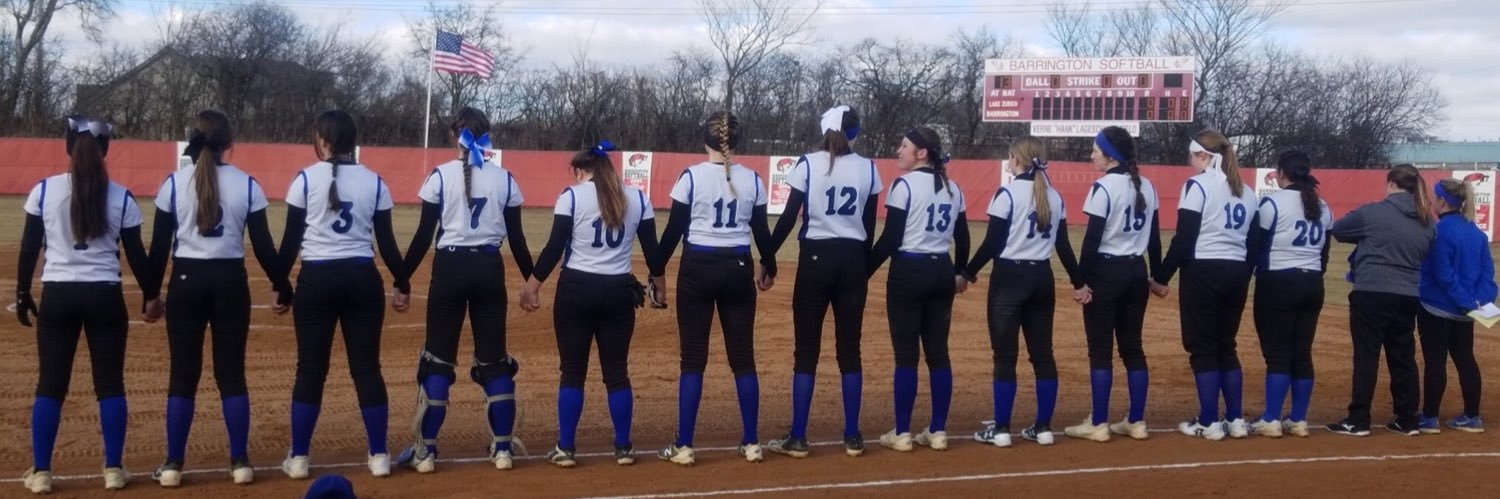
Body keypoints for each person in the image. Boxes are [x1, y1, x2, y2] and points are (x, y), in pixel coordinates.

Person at [147, 110, 293, 486]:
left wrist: (150, 294)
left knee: (183, 376)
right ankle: (240, 462)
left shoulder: (174, 183)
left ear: (193, 141)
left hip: (186, 279)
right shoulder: (247, 185)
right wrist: (282, 282)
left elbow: (159, 249)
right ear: (230, 143)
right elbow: (263, 246)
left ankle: (174, 464)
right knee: (231, 374)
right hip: (230, 281)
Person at [17, 116, 157, 494]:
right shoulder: (122, 196)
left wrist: (21, 293)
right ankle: (113, 468)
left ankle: (43, 472)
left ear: (67, 146)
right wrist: (151, 295)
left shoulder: (44, 191)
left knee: (50, 386)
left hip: (59, 296)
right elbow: (137, 257)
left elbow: (30, 248)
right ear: (106, 149)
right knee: (110, 385)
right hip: (104, 297)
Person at [396, 107, 534, 473]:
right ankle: (503, 449)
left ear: (452, 135)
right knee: (494, 360)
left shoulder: (440, 176)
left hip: (450, 268)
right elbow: (518, 240)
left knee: (438, 360)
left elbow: (424, 236)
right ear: (488, 134)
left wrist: (402, 278)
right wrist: (531, 282)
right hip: (489, 268)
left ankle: (425, 452)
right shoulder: (505, 179)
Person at [278, 110, 411, 479]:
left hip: (317, 281)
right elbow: (386, 243)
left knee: (310, 370)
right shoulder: (374, 181)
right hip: (361, 280)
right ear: (353, 142)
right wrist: (403, 282)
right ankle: (380, 455)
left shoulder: (305, 179)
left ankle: (300, 458)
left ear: (322, 141)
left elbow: (289, 245)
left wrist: (282, 287)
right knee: (367, 368)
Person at [520, 140, 667, 468]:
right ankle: (624, 447)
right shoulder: (637, 198)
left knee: (573, 371)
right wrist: (661, 288)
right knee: (617, 372)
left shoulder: (571, 197)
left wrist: (531, 287)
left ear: (580, 170)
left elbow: (554, 248)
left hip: (576, 289)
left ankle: (566, 448)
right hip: (618, 291)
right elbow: (654, 255)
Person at [655, 111, 777, 465]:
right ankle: (752, 442)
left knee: (693, 359)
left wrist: (656, 270)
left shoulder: (691, 177)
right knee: (743, 358)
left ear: (704, 139)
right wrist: (768, 266)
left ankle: (685, 445)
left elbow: (674, 232)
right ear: (736, 141)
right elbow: (762, 235)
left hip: (698, 268)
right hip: (738, 267)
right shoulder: (753, 179)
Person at [766, 105, 882, 458]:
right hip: (852, 260)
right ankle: (852, 435)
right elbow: (869, 229)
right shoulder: (869, 168)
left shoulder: (808, 163)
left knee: (807, 351)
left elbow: (788, 218)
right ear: (855, 132)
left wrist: (767, 258)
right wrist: (862, 268)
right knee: (850, 350)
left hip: (815, 259)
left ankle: (798, 437)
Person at [964, 136, 1079, 448]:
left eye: (1010, 157)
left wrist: (967, 273)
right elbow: (1064, 247)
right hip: (1042, 278)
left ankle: (1001, 429)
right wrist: (1079, 281)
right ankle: (1043, 427)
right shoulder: (1054, 197)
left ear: (1016, 160)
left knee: (1005, 356)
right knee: (1043, 355)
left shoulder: (1008, 194)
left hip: (1009, 278)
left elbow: (991, 244)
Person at [867, 126, 970, 452]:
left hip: (909, 271)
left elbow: (890, 240)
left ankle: (902, 432)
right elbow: (964, 239)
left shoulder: (904, 185)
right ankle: (938, 431)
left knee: (907, 356)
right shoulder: (953, 187)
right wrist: (959, 273)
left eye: (905, 145)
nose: (899, 150)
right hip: (941, 269)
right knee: (938, 354)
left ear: (922, 152)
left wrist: (862, 272)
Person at [1152, 129, 1258, 441]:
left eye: (1192, 156)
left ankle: (1209, 421)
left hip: (1204, 269)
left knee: (1203, 347)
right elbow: (1252, 244)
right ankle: (1236, 419)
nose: (1190, 162)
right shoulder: (1247, 191)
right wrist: (1242, 272)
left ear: (1204, 156)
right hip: (1237, 270)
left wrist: (1161, 276)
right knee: (1226, 345)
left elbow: (1184, 239)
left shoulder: (1197, 186)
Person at [1063, 126, 1162, 443]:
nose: (1092, 154)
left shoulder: (1104, 188)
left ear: (1110, 155)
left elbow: (1091, 242)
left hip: (1107, 271)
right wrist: (1157, 276)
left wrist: (1081, 281)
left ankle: (1100, 422)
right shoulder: (1147, 185)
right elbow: (1156, 240)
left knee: (1101, 351)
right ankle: (1136, 421)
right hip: (1136, 271)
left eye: (1096, 149)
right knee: (1133, 348)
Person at [1326, 164, 1434, 437]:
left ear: (1391, 184)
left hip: (1372, 291)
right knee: (1403, 357)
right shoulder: (1426, 220)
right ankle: (1407, 418)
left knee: (1367, 356)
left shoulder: (1374, 212)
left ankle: (1359, 417)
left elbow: (1339, 230)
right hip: (1408, 295)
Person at [1246, 150, 1332, 438]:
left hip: (1278, 282)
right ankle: (1298, 419)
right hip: (1312, 284)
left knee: (1278, 354)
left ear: (1281, 173)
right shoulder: (1324, 206)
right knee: (1302, 354)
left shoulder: (1272, 203)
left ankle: (1271, 418)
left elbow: (1254, 248)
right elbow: (1324, 256)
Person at [1417, 178, 1495, 434]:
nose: (1430, 200)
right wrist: (1477, 302)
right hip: (1466, 312)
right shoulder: (1476, 233)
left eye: (1434, 197)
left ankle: (1429, 417)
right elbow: (1487, 273)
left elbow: (1444, 275)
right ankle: (1472, 415)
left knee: (1435, 361)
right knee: (1465, 359)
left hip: (1436, 307)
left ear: (1442, 201)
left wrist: (1464, 301)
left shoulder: (1439, 232)